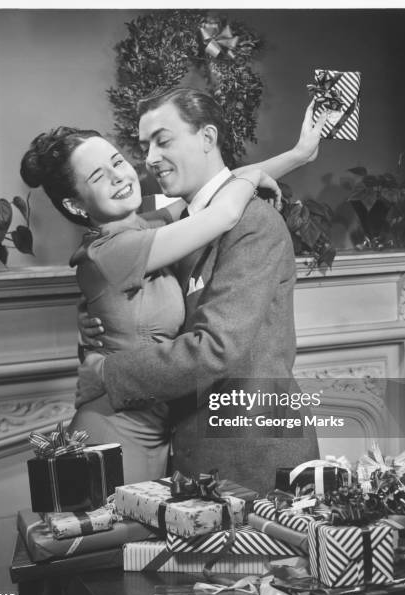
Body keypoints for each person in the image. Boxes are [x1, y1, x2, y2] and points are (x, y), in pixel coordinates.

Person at [78, 88, 327, 493]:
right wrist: (94, 322)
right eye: (145, 146)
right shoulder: (175, 227)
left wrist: (108, 373)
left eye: (163, 140)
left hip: (253, 455)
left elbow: (216, 348)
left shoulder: (254, 223)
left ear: (208, 138)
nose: (150, 159)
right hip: (189, 453)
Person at [20, 125, 283, 483]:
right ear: (74, 203)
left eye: (118, 161)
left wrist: (298, 154)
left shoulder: (150, 226)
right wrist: (252, 176)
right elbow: (223, 213)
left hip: (158, 429)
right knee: (115, 537)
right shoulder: (108, 252)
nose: (119, 177)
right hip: (115, 429)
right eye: (98, 176)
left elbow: (217, 190)